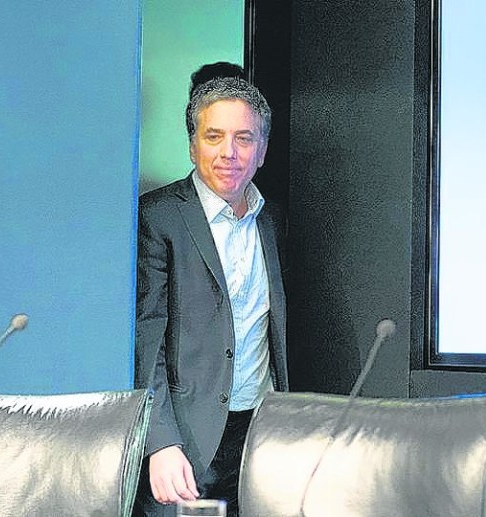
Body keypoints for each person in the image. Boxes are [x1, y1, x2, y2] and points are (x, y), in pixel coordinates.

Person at [134, 75, 288, 517]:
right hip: (186, 444)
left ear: (262, 150)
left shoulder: (271, 220)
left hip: (260, 435)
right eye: (214, 136)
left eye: (244, 138)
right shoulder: (159, 217)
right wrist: (160, 442)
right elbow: (146, 342)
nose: (229, 152)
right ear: (192, 145)